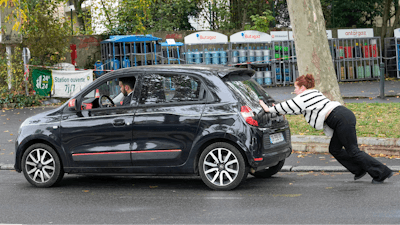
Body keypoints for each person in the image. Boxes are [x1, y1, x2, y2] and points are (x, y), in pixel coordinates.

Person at [259, 74, 393, 184]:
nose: (294, 91)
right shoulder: (312, 94)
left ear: (303, 87)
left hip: (341, 119)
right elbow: (298, 109)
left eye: (295, 88)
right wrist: (278, 111)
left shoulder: (305, 96)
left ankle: (382, 172)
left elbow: (289, 105)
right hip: (342, 116)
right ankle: (358, 169)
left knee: (353, 150)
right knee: (334, 149)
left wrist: (268, 109)